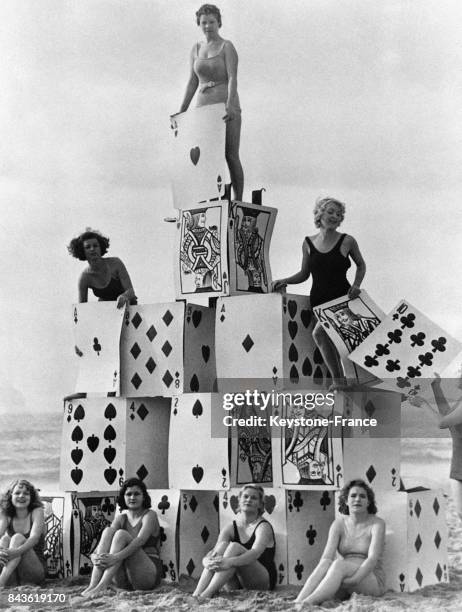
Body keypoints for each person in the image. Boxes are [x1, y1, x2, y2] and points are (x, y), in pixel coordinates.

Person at [273, 197, 366, 387]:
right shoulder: (307, 243)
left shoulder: (347, 240)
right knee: (329, 342)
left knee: (320, 335)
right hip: (319, 301)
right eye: (330, 212)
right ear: (319, 213)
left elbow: (361, 265)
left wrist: (356, 285)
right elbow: (304, 274)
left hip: (342, 299)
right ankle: (341, 383)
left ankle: (341, 381)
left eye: (339, 214)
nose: (335, 216)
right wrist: (285, 280)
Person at [173, 3, 244, 201]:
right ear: (199, 24)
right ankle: (209, 198)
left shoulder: (226, 46)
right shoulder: (196, 49)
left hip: (224, 105)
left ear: (218, 23)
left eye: (211, 22)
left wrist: (230, 104)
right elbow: (192, 81)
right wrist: (182, 112)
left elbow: (232, 78)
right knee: (206, 156)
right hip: (203, 106)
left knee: (230, 154)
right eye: (204, 22)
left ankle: (238, 199)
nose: (208, 26)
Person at [295, 479, 386, 605]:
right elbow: (325, 559)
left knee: (338, 564)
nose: (357, 499)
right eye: (353, 496)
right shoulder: (338, 524)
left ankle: (307, 603)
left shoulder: (377, 524)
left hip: (369, 578)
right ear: (346, 501)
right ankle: (298, 601)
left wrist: (354, 580)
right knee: (327, 564)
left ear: (368, 502)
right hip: (344, 576)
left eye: (362, 496)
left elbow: (372, 559)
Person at [81, 478, 161, 597]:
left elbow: (140, 541)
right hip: (122, 577)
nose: (132, 497)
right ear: (123, 497)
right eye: (128, 494)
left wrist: (115, 557)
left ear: (144, 497)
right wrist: (94, 556)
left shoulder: (150, 515)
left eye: (137, 494)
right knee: (108, 531)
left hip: (146, 574)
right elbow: (103, 541)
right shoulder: (121, 518)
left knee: (121, 534)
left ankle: (102, 586)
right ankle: (94, 585)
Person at [193, 485, 276, 597]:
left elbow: (255, 553)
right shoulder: (231, 527)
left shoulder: (263, 527)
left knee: (234, 547)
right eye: (245, 497)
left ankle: (206, 595)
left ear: (260, 504)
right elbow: (214, 552)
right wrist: (205, 561)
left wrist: (230, 562)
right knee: (222, 546)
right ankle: (197, 594)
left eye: (254, 498)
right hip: (235, 584)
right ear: (240, 501)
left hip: (262, 581)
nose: (248, 500)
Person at [67, 229, 137, 308]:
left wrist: (124, 296)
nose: (92, 249)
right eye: (88, 247)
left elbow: (131, 292)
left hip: (129, 308)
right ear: (82, 251)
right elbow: (81, 309)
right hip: (105, 311)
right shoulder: (84, 278)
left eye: (95, 245)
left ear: (100, 248)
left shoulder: (116, 263)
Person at [0, 479, 46, 588]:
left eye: (26, 493)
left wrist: (16, 552)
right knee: (4, 540)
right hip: (12, 574)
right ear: (10, 496)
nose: (21, 496)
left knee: (17, 538)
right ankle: (4, 580)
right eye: (17, 493)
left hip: (33, 572)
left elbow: (34, 538)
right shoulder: (6, 514)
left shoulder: (37, 511)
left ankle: (1, 581)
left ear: (32, 497)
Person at [430, 372, 462, 521]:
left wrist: (422, 403)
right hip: (458, 468)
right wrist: (436, 387)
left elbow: (442, 423)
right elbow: (446, 416)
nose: (457, 374)